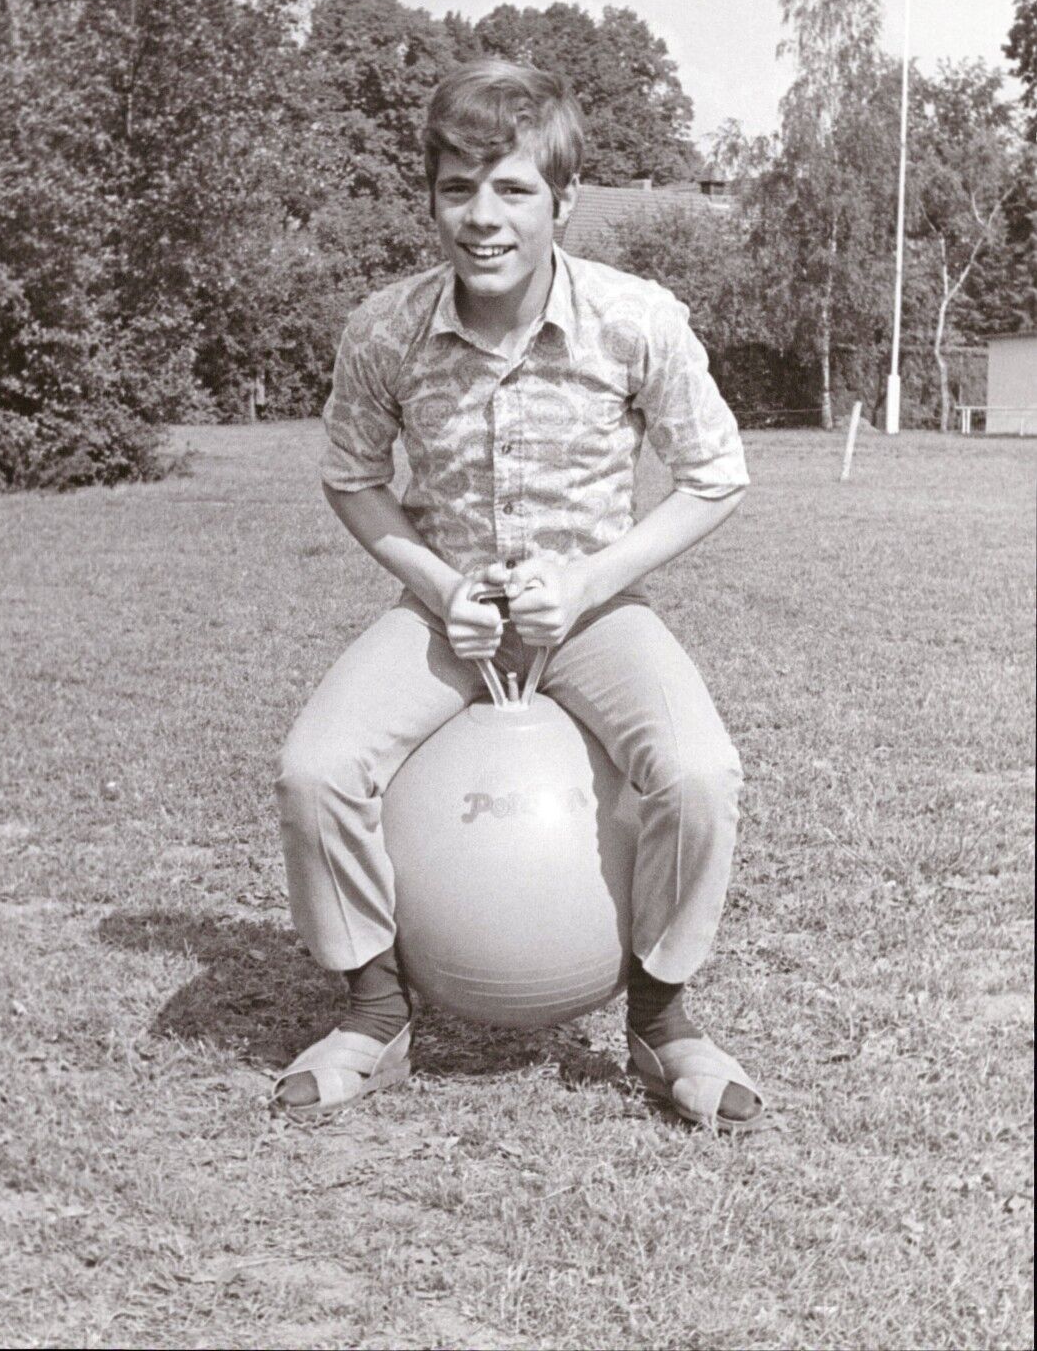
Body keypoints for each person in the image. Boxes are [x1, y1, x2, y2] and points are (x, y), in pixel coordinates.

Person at [273, 58, 766, 1132]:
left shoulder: (635, 319)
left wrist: (590, 578)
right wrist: (439, 584)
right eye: (458, 189)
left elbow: (716, 474)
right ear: (431, 200)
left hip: (592, 614)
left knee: (697, 771)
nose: (482, 218)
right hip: (444, 612)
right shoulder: (386, 328)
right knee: (316, 770)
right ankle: (372, 1011)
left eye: (511, 190)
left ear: (563, 202)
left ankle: (662, 1018)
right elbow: (351, 478)